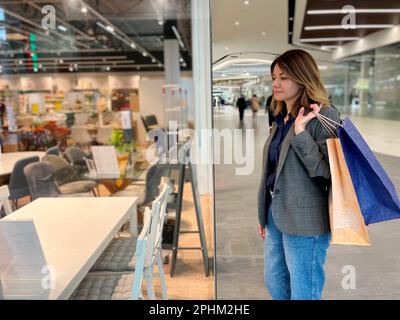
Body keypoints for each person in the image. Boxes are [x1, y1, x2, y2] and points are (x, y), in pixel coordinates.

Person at [257, 49, 341, 300]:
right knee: (276, 284)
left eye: (283, 77)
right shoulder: (279, 115)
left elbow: (327, 174)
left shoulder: (325, 116)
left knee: (304, 292)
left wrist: (302, 134)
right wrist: (264, 213)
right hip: (275, 214)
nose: (276, 83)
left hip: (306, 221)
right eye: (274, 77)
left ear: (302, 77)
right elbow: (273, 169)